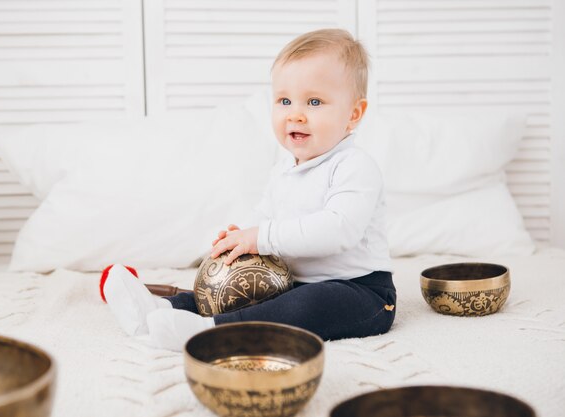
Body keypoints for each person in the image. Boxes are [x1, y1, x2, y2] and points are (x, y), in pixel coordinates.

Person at [102, 28, 396, 351]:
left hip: (360, 292)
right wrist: (242, 239)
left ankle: (209, 331)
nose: (295, 114)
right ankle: (161, 310)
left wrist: (263, 237)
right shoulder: (285, 168)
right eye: (284, 100)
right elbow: (265, 214)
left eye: (314, 102)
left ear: (353, 114)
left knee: (305, 305)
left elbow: (340, 230)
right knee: (239, 290)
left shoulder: (354, 166)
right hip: (292, 281)